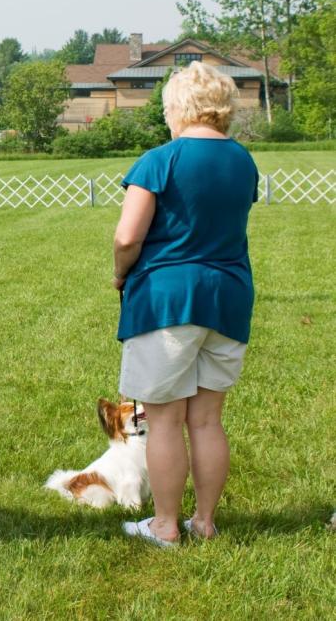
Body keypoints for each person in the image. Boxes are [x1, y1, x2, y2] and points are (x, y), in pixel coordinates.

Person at [114, 61, 257, 546]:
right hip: (230, 298)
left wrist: (119, 273)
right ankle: (206, 521)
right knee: (208, 419)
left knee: (165, 420)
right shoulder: (244, 161)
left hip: (168, 300)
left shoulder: (161, 159)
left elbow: (128, 235)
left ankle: (165, 525)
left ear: (177, 107)